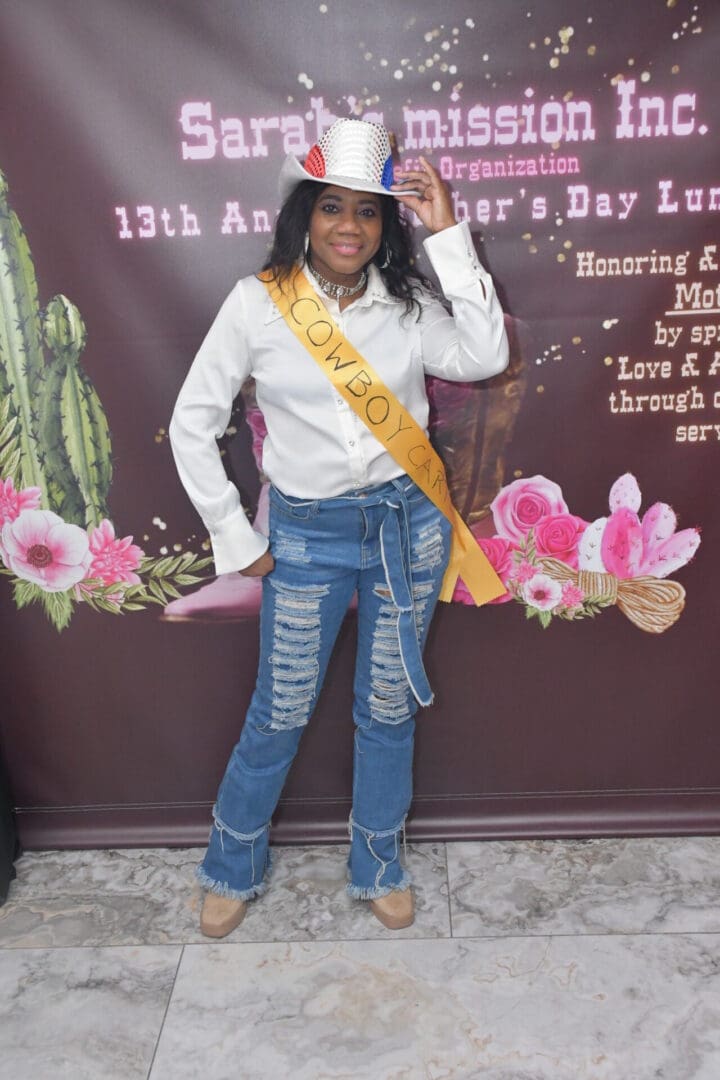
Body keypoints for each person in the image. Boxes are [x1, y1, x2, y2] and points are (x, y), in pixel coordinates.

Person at [169, 117, 509, 937]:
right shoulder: (257, 304)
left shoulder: (407, 304)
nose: (349, 227)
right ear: (304, 216)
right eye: (331, 208)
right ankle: (233, 859)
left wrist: (448, 234)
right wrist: (236, 538)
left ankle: (377, 860)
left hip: (406, 529)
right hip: (307, 535)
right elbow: (192, 422)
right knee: (281, 706)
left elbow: (486, 355)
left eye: (367, 210)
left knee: (387, 707)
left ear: (386, 223)